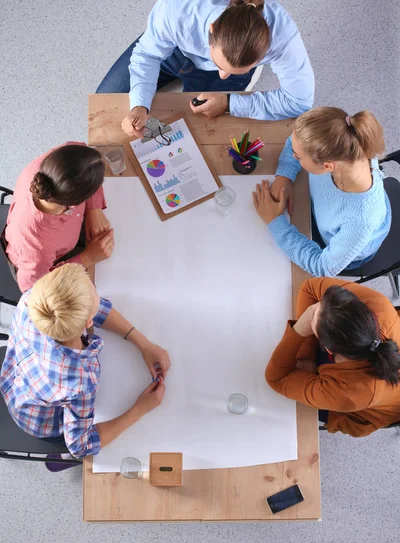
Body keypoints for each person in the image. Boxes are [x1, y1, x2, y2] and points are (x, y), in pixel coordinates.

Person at [0, 264, 170, 469]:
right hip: (39, 422)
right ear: (88, 321)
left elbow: (90, 310)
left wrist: (143, 343)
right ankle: (62, 459)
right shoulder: (79, 381)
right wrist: (140, 409)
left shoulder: (33, 297)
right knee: (79, 451)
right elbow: (81, 445)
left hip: (12, 378)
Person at [96, 0, 314, 137]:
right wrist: (139, 105)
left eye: (233, 70)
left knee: (197, 132)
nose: (223, 75)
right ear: (211, 29)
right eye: (221, 65)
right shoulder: (177, 9)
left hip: (204, 70)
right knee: (102, 102)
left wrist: (230, 102)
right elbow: (147, 54)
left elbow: (299, 101)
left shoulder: (283, 35)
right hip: (171, 50)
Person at [253, 107, 391, 277]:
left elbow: (322, 267)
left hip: (345, 248)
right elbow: (294, 142)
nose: (294, 155)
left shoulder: (360, 220)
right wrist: (285, 176)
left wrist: (275, 221)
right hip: (326, 215)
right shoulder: (345, 140)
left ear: (327, 166)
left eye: (298, 157)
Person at [265, 277, 400, 437]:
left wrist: (299, 331)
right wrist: (307, 356)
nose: (314, 308)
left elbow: (276, 379)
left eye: (311, 320)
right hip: (367, 381)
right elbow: (309, 287)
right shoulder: (379, 305)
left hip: (363, 405)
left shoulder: (351, 393)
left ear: (328, 349)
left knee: (297, 408)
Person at [4, 143, 113, 293]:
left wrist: (94, 209)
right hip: (45, 269)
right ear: (74, 203)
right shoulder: (38, 248)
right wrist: (87, 258)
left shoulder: (52, 166)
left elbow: (78, 147)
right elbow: (34, 288)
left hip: (65, 233)